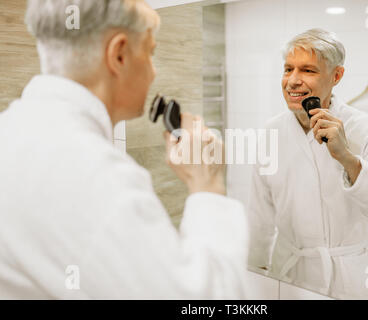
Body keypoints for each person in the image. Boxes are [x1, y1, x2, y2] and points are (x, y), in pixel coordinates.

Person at [0, 0, 248, 299]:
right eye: (151, 52)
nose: (154, 71)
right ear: (118, 54)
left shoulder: (14, 129)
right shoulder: (92, 174)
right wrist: (207, 183)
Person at [247, 28, 368, 299]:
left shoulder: (366, 131)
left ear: (336, 76)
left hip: (347, 281)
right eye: (288, 69)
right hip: (289, 275)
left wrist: (349, 160)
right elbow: (259, 217)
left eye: (308, 71)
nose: (292, 81)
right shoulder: (271, 132)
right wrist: (253, 277)